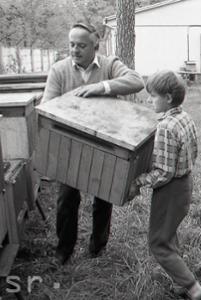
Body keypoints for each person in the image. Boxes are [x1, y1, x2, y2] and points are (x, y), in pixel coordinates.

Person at [42, 23, 144, 264]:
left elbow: (136, 81)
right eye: (71, 44)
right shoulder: (58, 70)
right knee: (67, 197)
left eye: (81, 45)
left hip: (104, 142)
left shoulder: (109, 65)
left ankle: (97, 247)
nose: (75, 50)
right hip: (71, 144)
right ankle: (63, 250)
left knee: (104, 195)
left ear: (95, 46)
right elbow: (47, 106)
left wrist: (102, 86)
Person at [129, 70, 201, 300]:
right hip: (185, 183)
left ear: (167, 97)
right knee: (168, 234)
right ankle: (180, 284)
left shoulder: (166, 127)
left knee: (158, 243)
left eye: (153, 96)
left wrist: (139, 181)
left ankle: (195, 290)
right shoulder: (184, 117)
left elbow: (164, 173)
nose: (148, 100)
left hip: (170, 190)